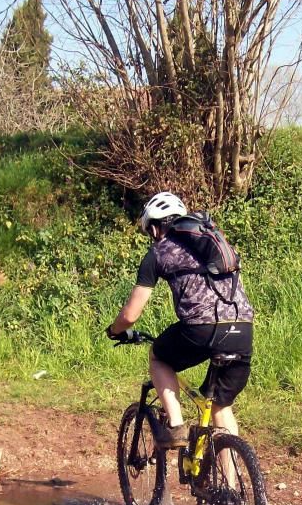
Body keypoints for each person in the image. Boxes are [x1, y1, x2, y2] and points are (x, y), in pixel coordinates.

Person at [106, 192, 254, 449]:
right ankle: (230, 487)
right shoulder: (212, 245)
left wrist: (114, 330)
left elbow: (131, 314)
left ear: (154, 227)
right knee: (220, 408)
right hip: (243, 329)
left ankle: (176, 426)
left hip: (203, 329)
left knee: (158, 357)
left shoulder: (158, 252)